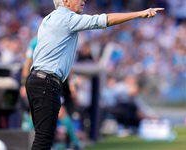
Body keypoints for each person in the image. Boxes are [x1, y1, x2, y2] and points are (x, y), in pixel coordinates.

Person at [25, 0, 164, 149]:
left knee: (41, 138)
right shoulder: (67, 18)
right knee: (44, 141)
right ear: (65, 1)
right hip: (46, 83)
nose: (83, 0)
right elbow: (105, 20)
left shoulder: (49, 18)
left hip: (35, 80)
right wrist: (139, 13)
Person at [21, 36, 81, 149]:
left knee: (58, 112)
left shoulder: (58, 38)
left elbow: (68, 64)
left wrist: (72, 83)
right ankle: (25, 143)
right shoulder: (36, 41)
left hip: (51, 81)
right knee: (34, 113)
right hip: (40, 80)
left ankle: (76, 144)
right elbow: (27, 62)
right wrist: (22, 84)